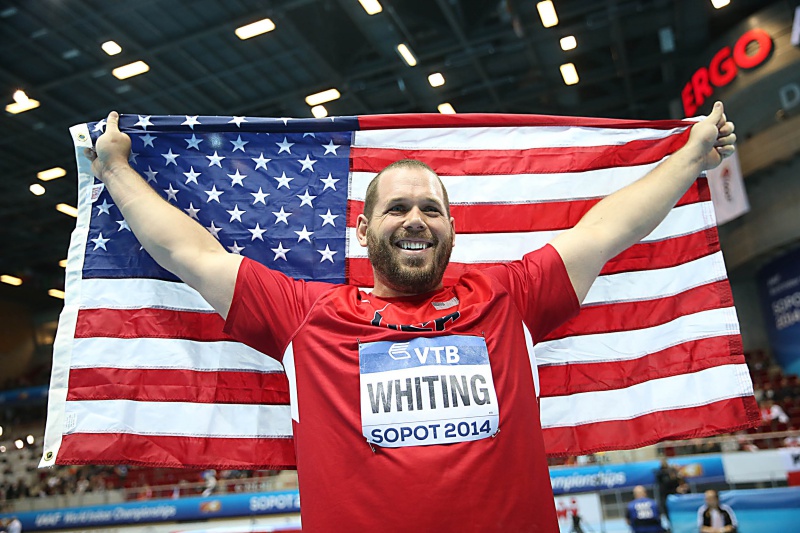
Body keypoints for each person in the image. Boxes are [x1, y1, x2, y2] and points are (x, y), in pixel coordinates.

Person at [85, 103, 736, 532]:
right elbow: (190, 252)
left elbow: (605, 229)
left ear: (452, 227)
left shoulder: (506, 297)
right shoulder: (307, 317)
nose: (415, 219)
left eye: (431, 208)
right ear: (364, 228)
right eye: (397, 208)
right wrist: (115, 169)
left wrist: (689, 157)